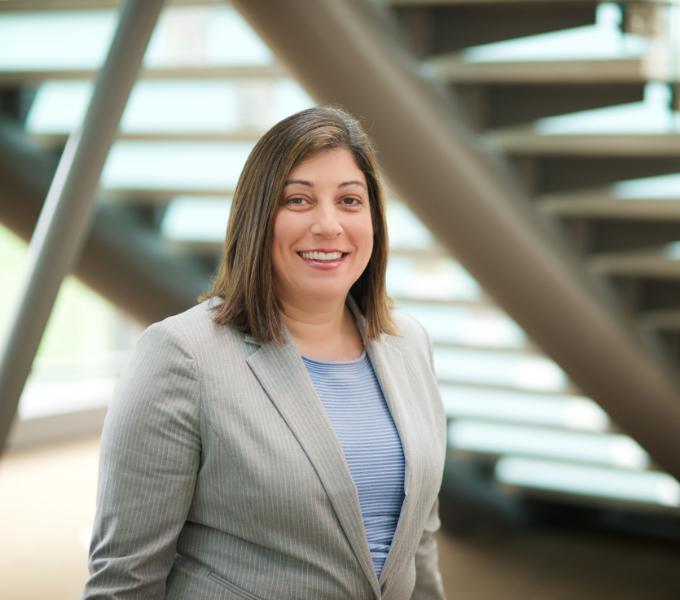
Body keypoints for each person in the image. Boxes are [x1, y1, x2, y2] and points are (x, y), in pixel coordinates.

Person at [82, 106, 447, 600]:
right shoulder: (181, 356)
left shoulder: (409, 343)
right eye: (298, 200)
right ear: (257, 217)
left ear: (374, 220)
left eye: (349, 200)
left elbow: (418, 544)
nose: (327, 225)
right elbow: (124, 580)